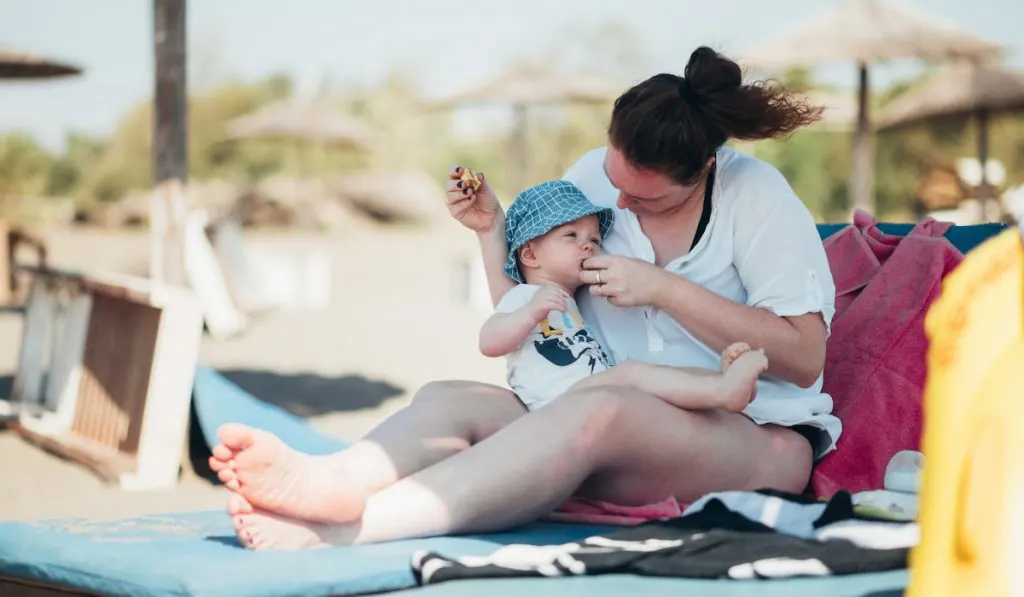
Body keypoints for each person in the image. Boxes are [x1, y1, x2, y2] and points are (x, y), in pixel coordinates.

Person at [209, 45, 839, 551]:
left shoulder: (755, 198)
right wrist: (491, 230)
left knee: (603, 413)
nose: (618, 204)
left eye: (643, 199)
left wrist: (665, 289)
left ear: (702, 169)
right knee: (451, 399)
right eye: (615, 180)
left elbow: (804, 355)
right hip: (591, 405)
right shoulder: (592, 176)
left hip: (747, 438)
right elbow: (534, 309)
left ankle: (350, 530)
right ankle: (330, 480)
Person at [484, 178, 768, 413]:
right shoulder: (524, 296)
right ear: (530, 254)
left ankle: (727, 381)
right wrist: (531, 312)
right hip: (557, 404)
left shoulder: (570, 301)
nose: (588, 247)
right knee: (632, 373)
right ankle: (722, 392)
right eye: (571, 236)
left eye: (594, 240)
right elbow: (489, 342)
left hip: (591, 397)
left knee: (660, 374)